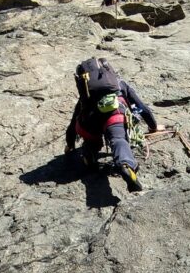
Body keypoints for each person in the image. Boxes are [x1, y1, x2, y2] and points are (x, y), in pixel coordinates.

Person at [65, 57, 163, 193]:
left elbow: (73, 122)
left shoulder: (86, 97)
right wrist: (153, 126)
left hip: (91, 122)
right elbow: (142, 108)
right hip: (115, 115)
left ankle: (89, 153)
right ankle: (125, 165)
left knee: (91, 140)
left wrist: (70, 144)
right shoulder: (119, 84)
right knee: (118, 140)